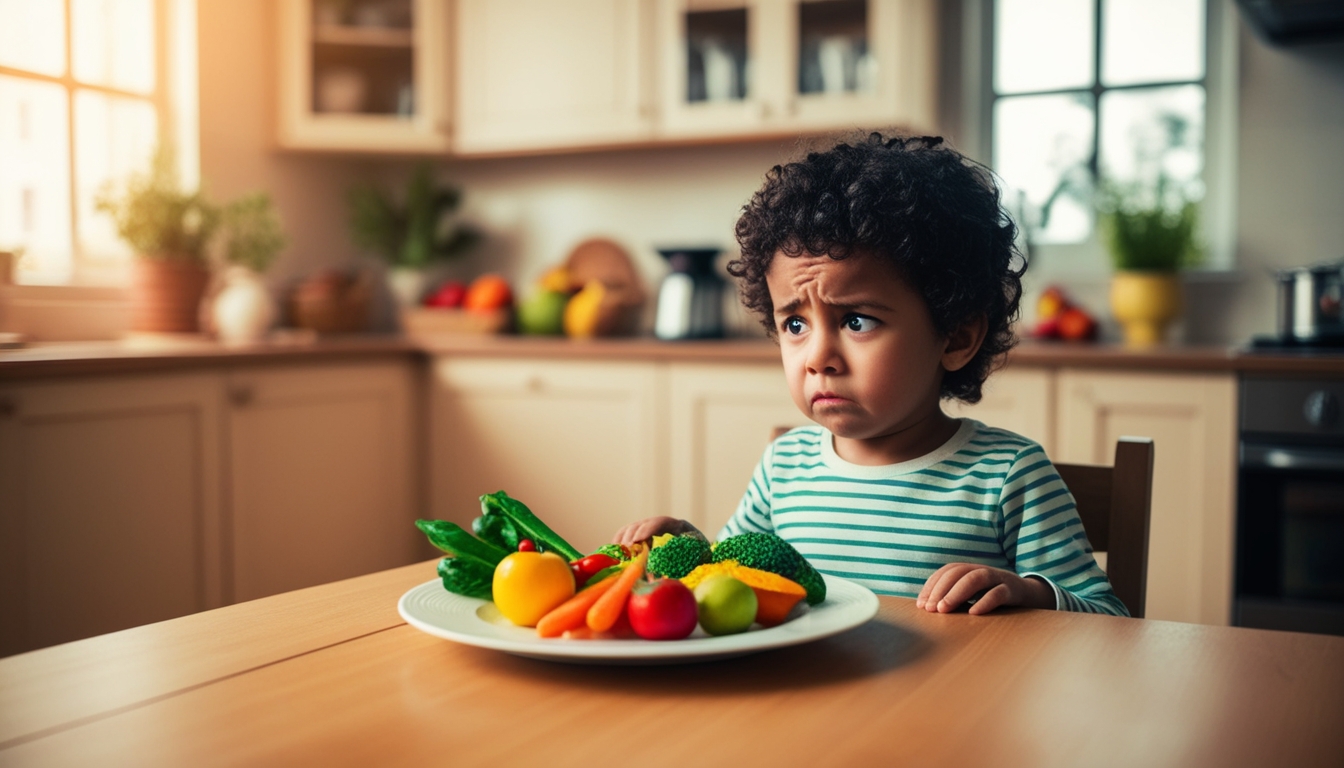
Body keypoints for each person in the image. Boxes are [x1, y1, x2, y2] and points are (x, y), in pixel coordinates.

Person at [614, 132, 1127, 617]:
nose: (818, 357)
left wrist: (1028, 593)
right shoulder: (784, 467)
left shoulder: (1008, 476)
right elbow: (735, 575)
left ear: (955, 337)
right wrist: (688, 545)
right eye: (795, 323)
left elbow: (1107, 618)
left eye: (856, 321)